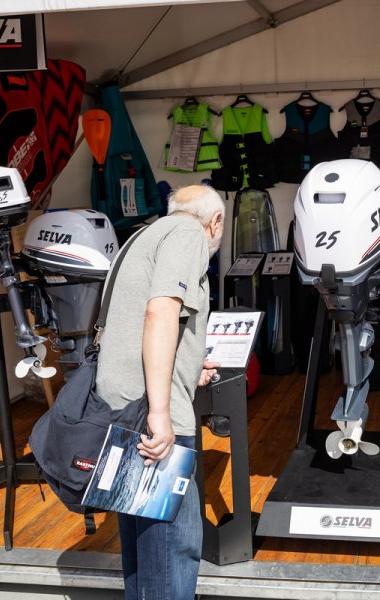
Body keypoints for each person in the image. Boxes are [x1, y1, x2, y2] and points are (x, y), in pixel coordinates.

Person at [95, 184, 225, 600]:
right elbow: (161, 310)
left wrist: (189, 367)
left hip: (122, 406)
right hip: (149, 412)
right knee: (171, 546)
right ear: (216, 221)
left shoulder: (142, 235)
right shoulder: (189, 235)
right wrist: (162, 411)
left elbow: (136, 318)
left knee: (141, 545)